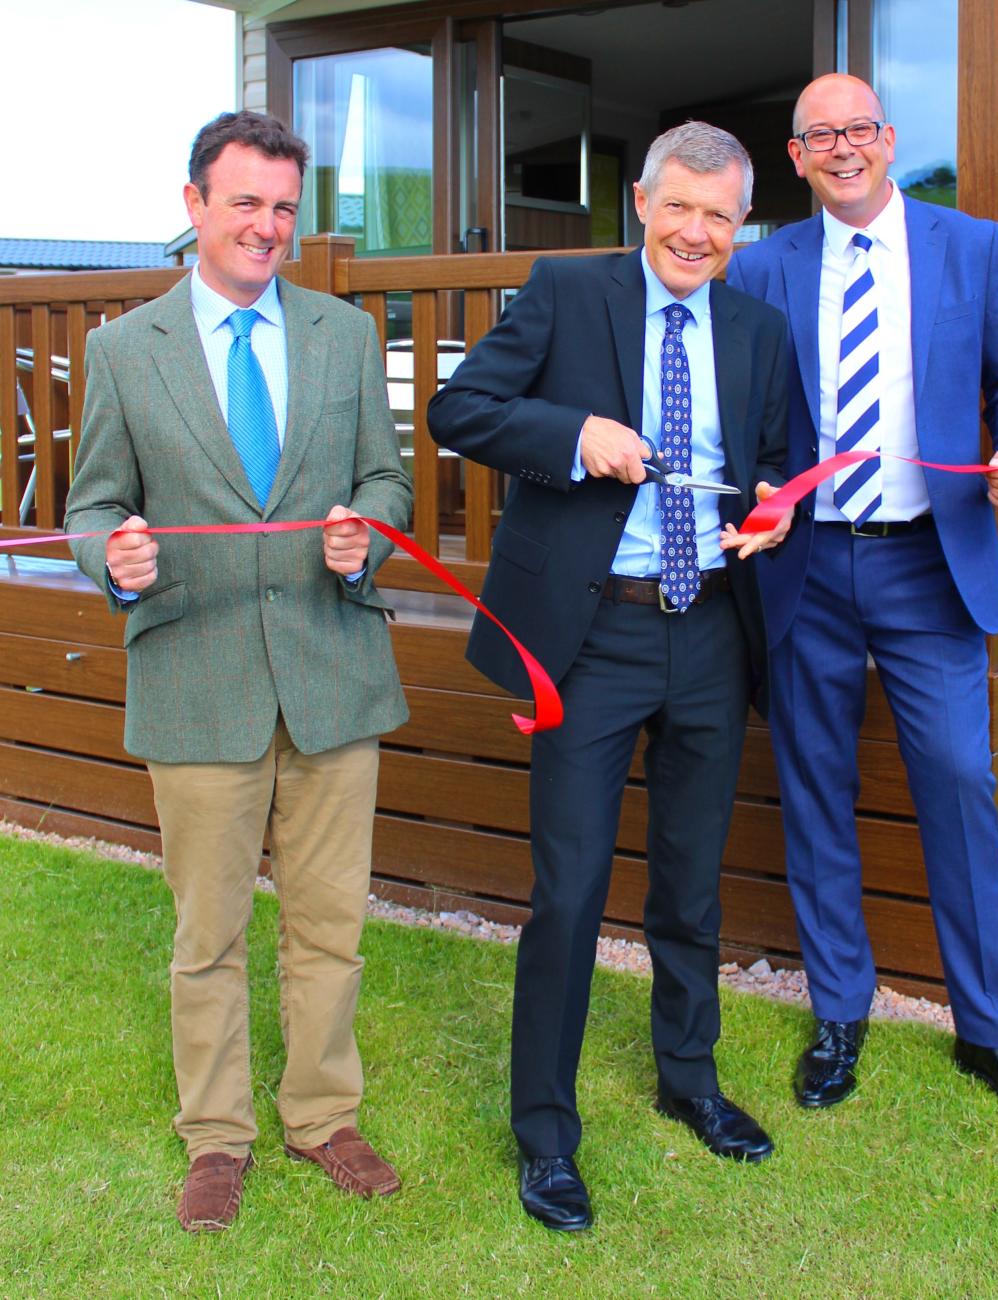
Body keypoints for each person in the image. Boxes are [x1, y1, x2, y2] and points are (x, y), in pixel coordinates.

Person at [427, 121, 791, 1231]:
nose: (696, 232)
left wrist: (774, 511)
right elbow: (459, 411)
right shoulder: (563, 291)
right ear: (640, 201)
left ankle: (690, 1081)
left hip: (710, 629)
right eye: (678, 207)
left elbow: (777, 464)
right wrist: (574, 431)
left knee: (688, 885)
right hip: (589, 641)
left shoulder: (758, 329)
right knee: (570, 891)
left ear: (740, 224)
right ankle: (545, 1133)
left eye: (719, 216)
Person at [64, 111, 414, 1231]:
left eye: (282, 208)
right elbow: (92, 506)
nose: (267, 226)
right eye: (246, 202)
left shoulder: (344, 335)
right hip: (198, 677)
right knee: (206, 935)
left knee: (328, 925)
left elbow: (386, 480)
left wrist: (368, 525)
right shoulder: (125, 351)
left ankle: (323, 1115)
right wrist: (113, 560)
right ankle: (216, 1137)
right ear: (194, 206)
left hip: (330, 675)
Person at [726, 75, 998, 1133]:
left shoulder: (966, 246)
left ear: (887, 140)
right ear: (794, 157)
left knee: (957, 779)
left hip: (928, 562)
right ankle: (838, 1012)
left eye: (857, 129)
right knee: (812, 788)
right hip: (805, 566)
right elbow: (750, 409)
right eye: (817, 136)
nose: (841, 148)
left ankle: (992, 1032)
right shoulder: (761, 266)